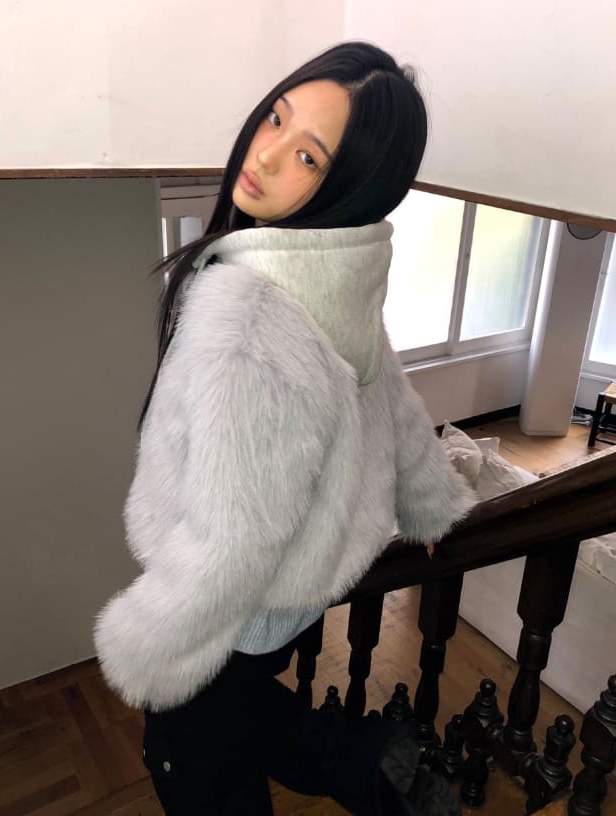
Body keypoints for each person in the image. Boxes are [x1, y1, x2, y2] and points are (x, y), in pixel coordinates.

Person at [94, 41, 475, 815]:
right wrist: (430, 503)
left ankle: (361, 762)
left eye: (307, 156)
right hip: (290, 603)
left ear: (350, 184)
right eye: (276, 117)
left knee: (198, 766)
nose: (264, 154)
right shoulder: (338, 271)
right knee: (251, 719)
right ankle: (370, 764)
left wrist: (147, 644)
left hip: (227, 616)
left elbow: (233, 536)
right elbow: (391, 397)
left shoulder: (250, 313)